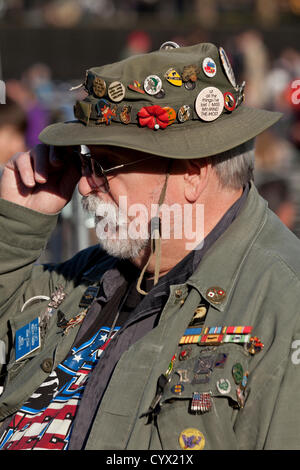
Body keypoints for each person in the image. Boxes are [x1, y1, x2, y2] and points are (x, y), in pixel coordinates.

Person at [0, 41, 298, 451]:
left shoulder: (285, 304)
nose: (85, 184)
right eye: (84, 161)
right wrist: (17, 230)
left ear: (193, 173)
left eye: (104, 164)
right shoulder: (94, 273)